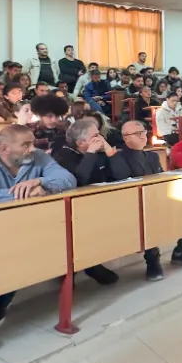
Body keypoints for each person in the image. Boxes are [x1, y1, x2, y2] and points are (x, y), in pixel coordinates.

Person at [109, 121, 182, 280]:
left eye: (143, 132)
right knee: (147, 216)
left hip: (158, 197)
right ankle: (152, 259)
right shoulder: (118, 157)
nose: (143, 136)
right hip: (135, 203)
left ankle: (180, 251)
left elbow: (162, 178)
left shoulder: (151, 155)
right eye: (137, 134)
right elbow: (123, 180)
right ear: (125, 138)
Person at [49, 118, 124, 285]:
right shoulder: (63, 156)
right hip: (68, 210)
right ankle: (72, 273)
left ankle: (91, 265)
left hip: (96, 205)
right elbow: (77, 181)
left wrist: (110, 151)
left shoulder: (97, 152)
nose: (101, 138)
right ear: (81, 142)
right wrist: (90, 153)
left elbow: (121, 176)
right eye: (96, 135)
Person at [0, 124, 75, 206]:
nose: (33, 149)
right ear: (4, 148)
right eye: (26, 145)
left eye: (33, 143)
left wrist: (39, 181)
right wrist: (24, 193)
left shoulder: (38, 155)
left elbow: (68, 179)